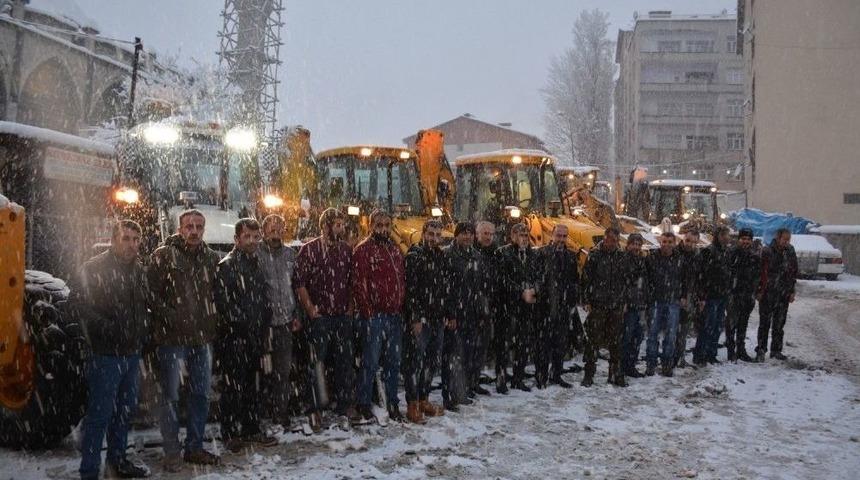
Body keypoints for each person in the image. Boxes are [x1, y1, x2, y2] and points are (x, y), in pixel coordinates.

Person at [75, 220, 151, 480]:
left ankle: (116, 463)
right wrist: (106, 328)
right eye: (126, 238)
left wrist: (143, 332)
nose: (132, 244)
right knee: (99, 415)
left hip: (131, 354)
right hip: (105, 355)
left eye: (135, 239)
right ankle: (89, 471)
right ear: (114, 240)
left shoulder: (139, 269)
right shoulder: (94, 267)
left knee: (124, 413)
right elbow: (78, 305)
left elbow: (143, 305)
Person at [149, 209, 221, 470]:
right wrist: (172, 316)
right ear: (179, 229)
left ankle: (194, 447)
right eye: (189, 226)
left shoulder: (211, 258)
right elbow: (151, 294)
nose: (194, 231)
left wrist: (213, 320)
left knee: (200, 394)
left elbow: (217, 293)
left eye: (199, 227)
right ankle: (171, 451)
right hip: (172, 339)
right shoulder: (163, 256)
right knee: (170, 395)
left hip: (202, 338)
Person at [213, 219, 277, 452]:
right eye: (247, 236)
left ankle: (251, 428)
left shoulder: (256, 263)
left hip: (255, 336)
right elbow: (224, 305)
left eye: (255, 237)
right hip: (234, 337)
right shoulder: (227, 266)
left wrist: (263, 326)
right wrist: (243, 326)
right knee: (233, 387)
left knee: (254, 385)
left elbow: (263, 298)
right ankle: (230, 432)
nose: (252, 241)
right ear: (237, 239)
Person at [293, 207, 358, 428]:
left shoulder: (346, 250)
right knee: (316, 363)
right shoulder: (309, 250)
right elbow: (300, 283)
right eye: (337, 225)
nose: (341, 228)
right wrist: (310, 309)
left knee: (344, 361)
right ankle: (314, 408)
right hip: (320, 318)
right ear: (325, 226)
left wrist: (350, 307)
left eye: (342, 224)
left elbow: (350, 281)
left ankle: (344, 404)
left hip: (341, 316)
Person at [353, 210, 406, 422]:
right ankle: (364, 403)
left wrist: (400, 305)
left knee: (394, 361)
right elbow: (359, 283)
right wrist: (368, 311)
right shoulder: (363, 250)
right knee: (370, 361)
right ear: (371, 226)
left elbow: (400, 279)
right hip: (374, 316)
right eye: (379, 225)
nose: (383, 229)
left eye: (387, 225)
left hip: (394, 314)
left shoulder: (394, 249)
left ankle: (392, 402)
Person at [257, 214, 301, 428]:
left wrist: (297, 314)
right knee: (261, 371)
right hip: (263, 324)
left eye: (279, 230)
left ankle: (280, 412)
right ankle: (260, 412)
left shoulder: (290, 255)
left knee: (283, 370)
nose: (275, 235)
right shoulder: (255, 254)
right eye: (271, 231)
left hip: (285, 322)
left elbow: (297, 286)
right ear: (264, 232)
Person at [402, 220, 448, 423]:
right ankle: (412, 404)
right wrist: (415, 317)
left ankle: (424, 398)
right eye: (431, 234)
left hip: (437, 318)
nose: (434, 238)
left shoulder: (440, 256)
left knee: (431, 361)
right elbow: (410, 290)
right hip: (420, 319)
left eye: (438, 235)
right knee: (414, 362)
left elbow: (445, 287)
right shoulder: (414, 256)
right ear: (423, 234)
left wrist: (446, 312)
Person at [495, 223, 540, 392]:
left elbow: (539, 275)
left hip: (527, 308)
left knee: (523, 344)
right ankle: (501, 380)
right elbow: (501, 279)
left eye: (526, 235)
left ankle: (518, 378)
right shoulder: (503, 253)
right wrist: (520, 292)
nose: (524, 239)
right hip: (507, 306)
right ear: (512, 236)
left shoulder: (533, 254)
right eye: (520, 235)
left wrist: (534, 290)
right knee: (504, 345)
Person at [581, 227, 627, 387]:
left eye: (615, 240)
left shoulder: (621, 257)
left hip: (615, 305)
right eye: (610, 240)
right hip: (598, 304)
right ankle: (589, 374)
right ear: (604, 238)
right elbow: (586, 279)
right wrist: (586, 300)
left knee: (616, 342)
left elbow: (625, 280)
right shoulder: (594, 255)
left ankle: (615, 373)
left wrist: (623, 300)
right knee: (593, 341)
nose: (612, 243)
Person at [442, 222, 481, 411]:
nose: (467, 237)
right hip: (455, 314)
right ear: (456, 235)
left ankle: (461, 391)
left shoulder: (476, 255)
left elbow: (479, 285)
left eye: (470, 234)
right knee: (452, 356)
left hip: (471, 312)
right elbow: (446, 288)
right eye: (464, 233)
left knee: (466, 354)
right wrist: (450, 313)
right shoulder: (447, 255)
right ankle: (449, 394)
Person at [534, 224, 578, 389]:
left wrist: (572, 301)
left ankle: (556, 374)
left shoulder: (571, 256)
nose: (561, 239)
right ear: (552, 236)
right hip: (545, 306)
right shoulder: (542, 253)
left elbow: (574, 280)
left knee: (560, 343)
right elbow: (536, 277)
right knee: (543, 344)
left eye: (564, 236)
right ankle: (541, 376)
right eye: (558, 235)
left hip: (563, 306)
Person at [645, 232, 688, 377]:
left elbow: (685, 279)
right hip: (655, 300)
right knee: (653, 334)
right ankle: (651, 364)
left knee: (671, 335)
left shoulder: (679, 259)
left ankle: (667, 364)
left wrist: (683, 296)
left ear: (674, 243)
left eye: (670, 242)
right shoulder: (651, 258)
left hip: (673, 301)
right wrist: (648, 296)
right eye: (664, 241)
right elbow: (646, 279)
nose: (667, 245)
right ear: (660, 242)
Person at [755, 228, 798, 362]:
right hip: (768, 293)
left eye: (788, 239)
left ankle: (776, 350)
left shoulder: (790, 251)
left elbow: (793, 272)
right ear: (778, 238)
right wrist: (759, 290)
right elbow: (761, 272)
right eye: (785, 239)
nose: (787, 242)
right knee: (764, 324)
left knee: (779, 324)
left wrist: (792, 291)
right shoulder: (767, 251)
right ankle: (761, 350)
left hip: (783, 294)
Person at [694, 226, 733, 366]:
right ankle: (700, 354)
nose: (727, 238)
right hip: (711, 295)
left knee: (717, 326)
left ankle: (711, 353)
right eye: (724, 235)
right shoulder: (709, 252)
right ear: (718, 236)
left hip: (722, 294)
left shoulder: (726, 252)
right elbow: (702, 275)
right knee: (707, 326)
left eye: (727, 235)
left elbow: (728, 272)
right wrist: (702, 296)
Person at [471, 220, 498, 396]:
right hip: (472, 308)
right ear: (477, 234)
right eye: (485, 233)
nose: (488, 237)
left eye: (491, 234)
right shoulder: (471, 253)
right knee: (470, 348)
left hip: (489, 306)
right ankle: (466, 383)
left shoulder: (496, 254)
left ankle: (474, 380)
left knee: (481, 348)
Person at [725, 228, 760, 362]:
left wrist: (754, 291)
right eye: (743, 239)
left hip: (747, 295)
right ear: (739, 240)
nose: (746, 241)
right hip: (734, 294)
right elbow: (727, 273)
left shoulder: (754, 256)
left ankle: (741, 350)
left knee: (743, 324)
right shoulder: (731, 253)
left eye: (748, 239)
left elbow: (757, 276)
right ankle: (730, 350)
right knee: (731, 323)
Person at [621, 233, 649, 378]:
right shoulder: (623, 260)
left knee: (637, 337)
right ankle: (622, 367)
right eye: (634, 244)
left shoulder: (642, 261)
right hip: (629, 305)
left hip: (640, 304)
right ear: (628, 244)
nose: (636, 247)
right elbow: (622, 283)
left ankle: (631, 365)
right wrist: (624, 301)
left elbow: (645, 283)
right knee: (627, 337)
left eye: (639, 245)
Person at [674, 229, 702, 368]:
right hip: (675, 296)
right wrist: (681, 295)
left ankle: (679, 356)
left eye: (694, 242)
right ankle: (672, 357)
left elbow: (698, 277)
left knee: (684, 328)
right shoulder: (675, 253)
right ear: (684, 238)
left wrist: (699, 296)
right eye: (688, 241)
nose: (690, 244)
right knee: (673, 329)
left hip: (690, 296)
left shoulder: (696, 256)